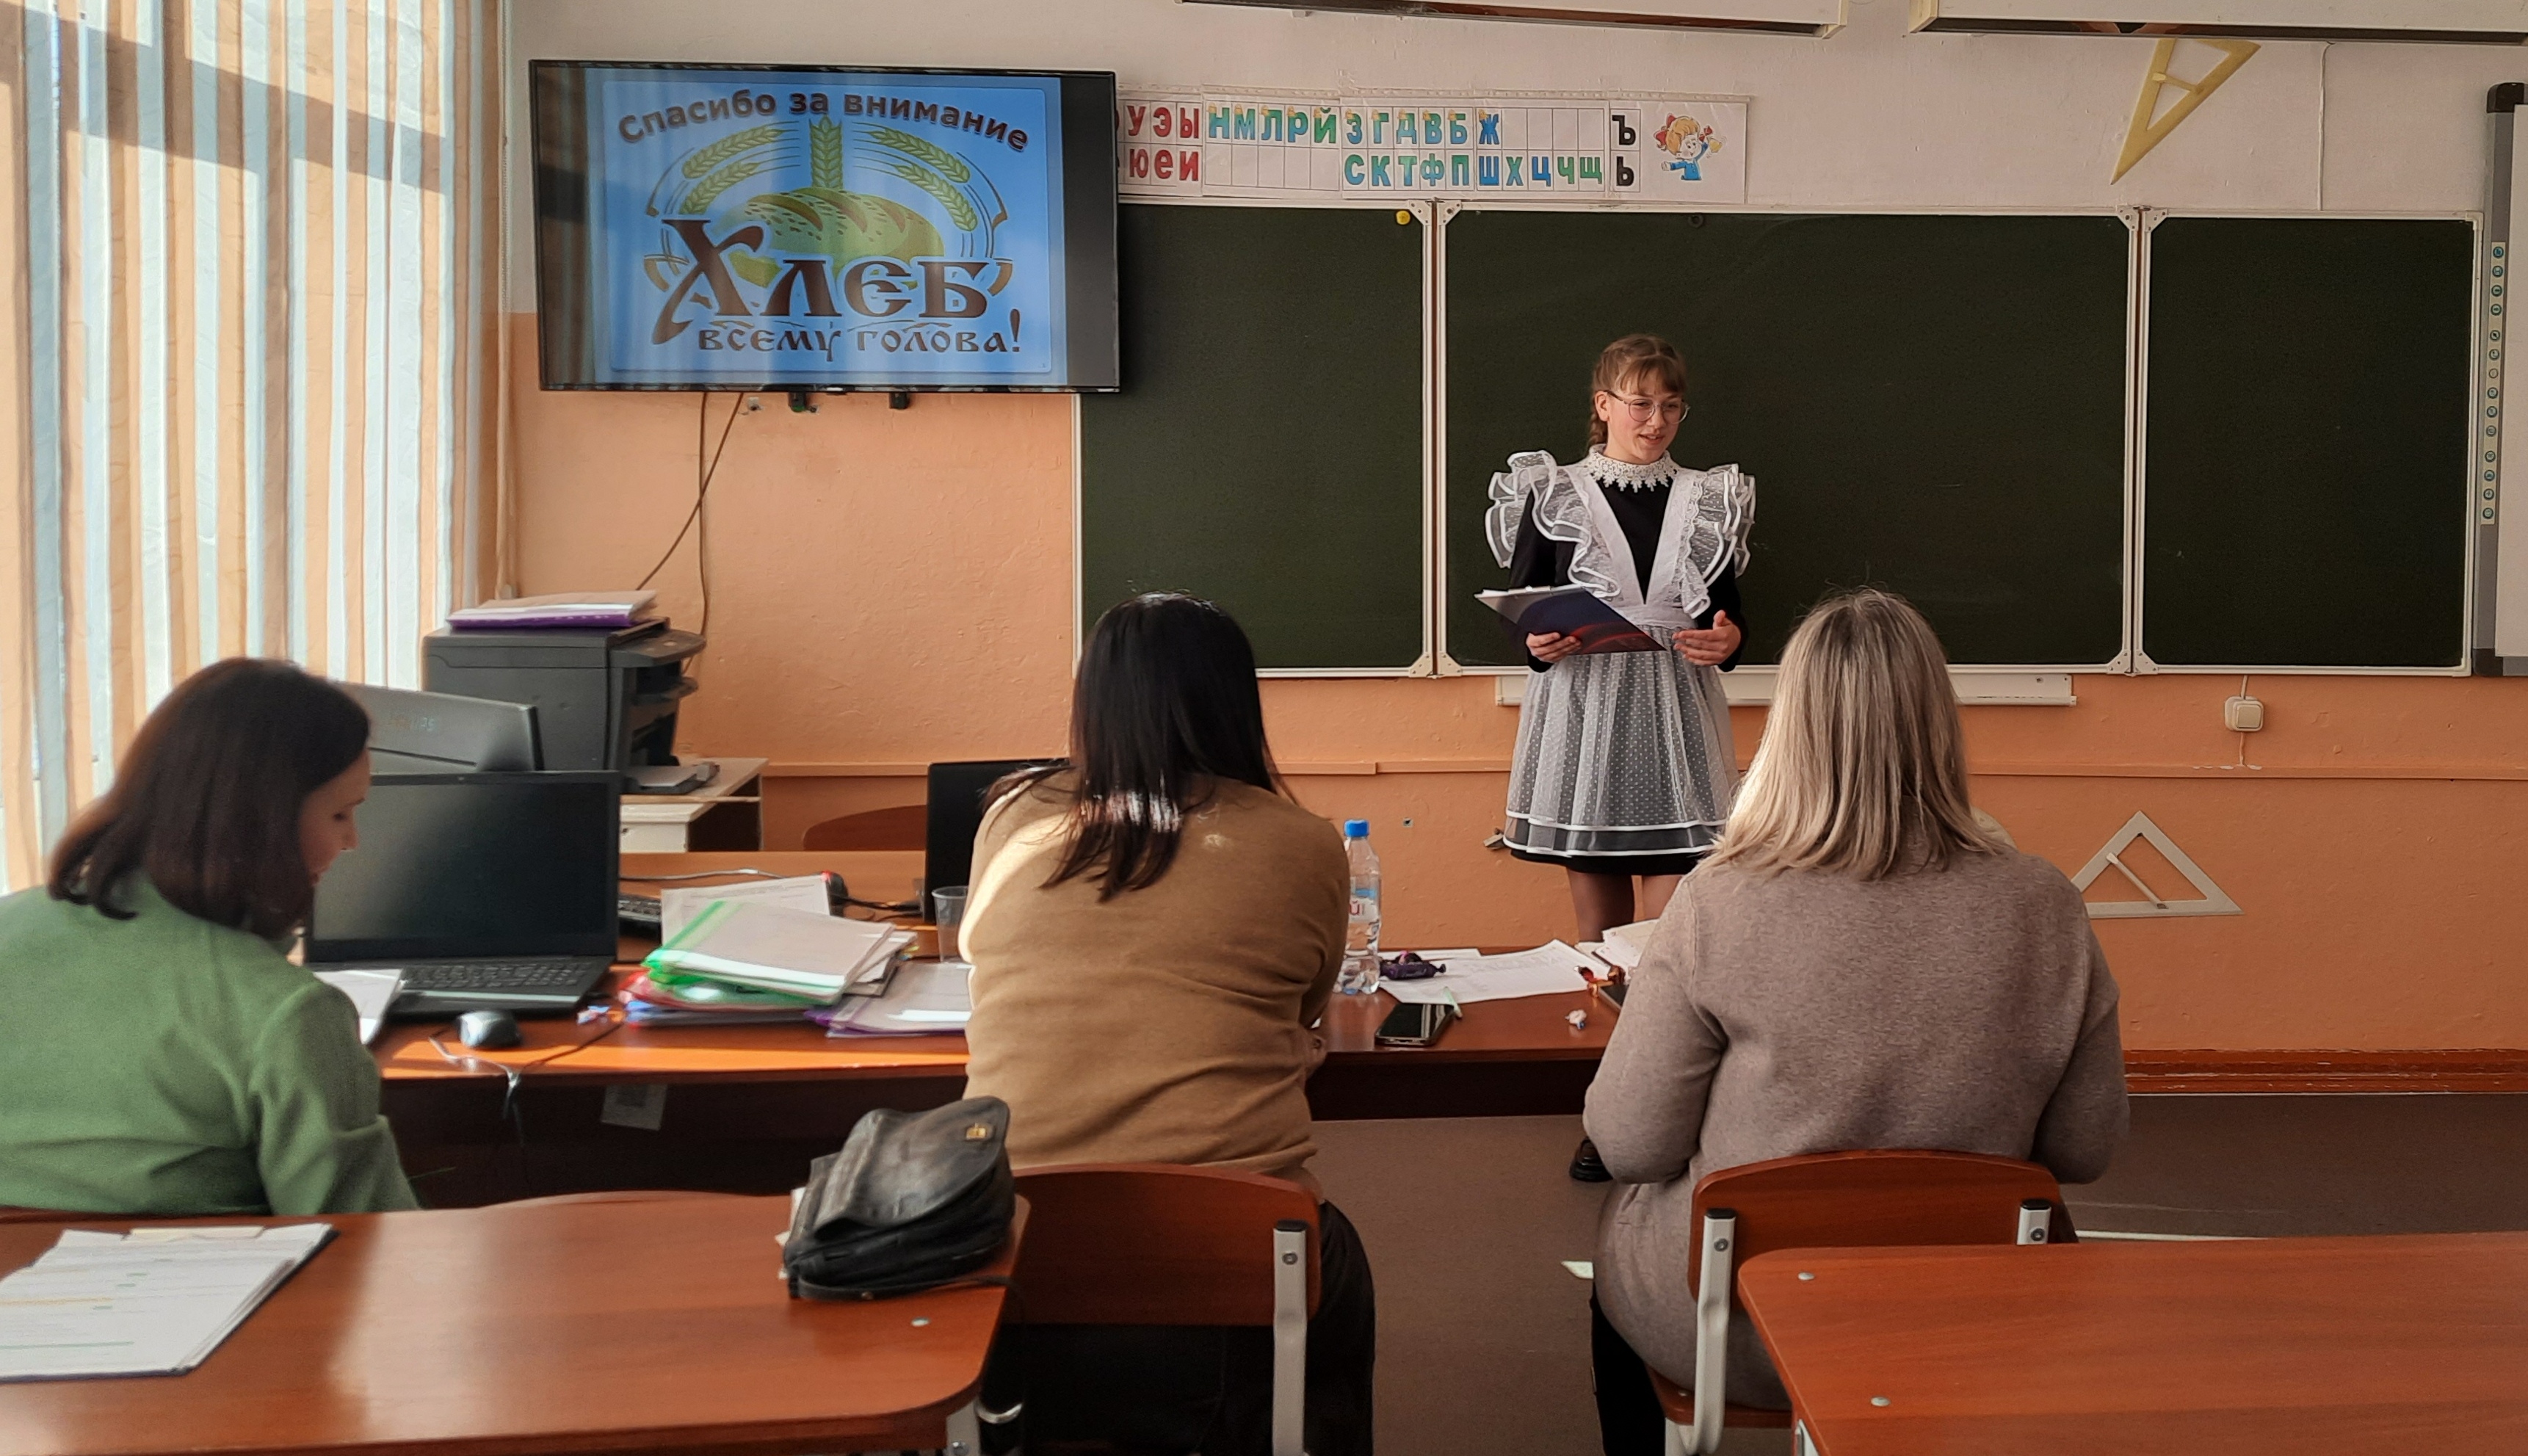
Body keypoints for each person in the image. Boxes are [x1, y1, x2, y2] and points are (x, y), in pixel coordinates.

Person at [1579, 590, 2128, 1455]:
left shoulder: (1719, 901)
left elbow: (1631, 1145)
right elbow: (2084, 1149)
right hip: (1977, 1320)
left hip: (1747, 1332)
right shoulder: (2043, 904)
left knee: (1621, 1254)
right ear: (1938, 723)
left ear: (1789, 729)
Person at [960, 593, 1373, 1456]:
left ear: (1090, 700)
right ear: (1235, 701)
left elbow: (975, 950)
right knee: (1336, 1264)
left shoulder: (1012, 815)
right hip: (1238, 1250)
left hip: (1020, 1245)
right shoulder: (1302, 842)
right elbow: (1305, 1006)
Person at [0, 659, 417, 1217]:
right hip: (186, 1273)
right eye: (341, 814)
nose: (352, 842)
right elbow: (361, 1232)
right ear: (262, 819)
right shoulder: (286, 1013)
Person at [1490, 333, 1754, 1184]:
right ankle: (1605, 1121)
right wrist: (1539, 643)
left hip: (1676, 719)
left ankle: (1666, 1119)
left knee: (1671, 946)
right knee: (1598, 945)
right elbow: (1526, 617)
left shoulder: (1709, 496)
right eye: (1639, 403)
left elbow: (1728, 616)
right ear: (1602, 404)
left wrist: (1728, 643)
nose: (1655, 419)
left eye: (1670, 406)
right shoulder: (1551, 492)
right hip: (1586, 720)